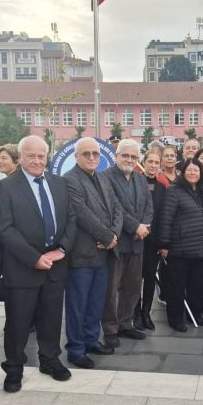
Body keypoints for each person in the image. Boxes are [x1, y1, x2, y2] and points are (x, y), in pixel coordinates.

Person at [0, 135, 76, 392]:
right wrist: (33, 258)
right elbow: (5, 229)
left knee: (51, 319)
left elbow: (71, 219)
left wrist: (62, 249)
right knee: (18, 323)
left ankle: (50, 360)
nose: (37, 161)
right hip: (22, 269)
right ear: (20, 158)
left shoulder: (59, 183)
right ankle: (14, 368)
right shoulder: (6, 187)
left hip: (55, 267)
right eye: (31, 156)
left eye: (41, 155)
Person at [63, 137, 123, 369]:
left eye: (95, 154)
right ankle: (76, 349)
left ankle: (90, 339)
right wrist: (108, 237)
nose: (91, 157)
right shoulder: (70, 180)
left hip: (104, 254)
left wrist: (113, 236)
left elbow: (117, 208)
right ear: (76, 156)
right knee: (78, 304)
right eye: (86, 153)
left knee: (96, 302)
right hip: (82, 255)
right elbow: (81, 213)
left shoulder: (103, 178)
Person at [156, 158, 203, 332]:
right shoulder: (174, 191)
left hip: (201, 248)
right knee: (177, 287)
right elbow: (166, 218)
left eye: (196, 170)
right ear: (183, 172)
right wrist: (164, 244)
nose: (193, 173)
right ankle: (175, 319)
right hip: (179, 249)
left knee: (197, 286)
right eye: (189, 170)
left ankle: (195, 314)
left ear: (201, 173)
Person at [100, 139, 152, 346]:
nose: (129, 159)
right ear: (116, 156)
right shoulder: (106, 178)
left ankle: (125, 323)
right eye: (125, 155)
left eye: (133, 156)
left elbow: (149, 205)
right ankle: (111, 328)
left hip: (138, 242)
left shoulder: (140, 179)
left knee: (132, 287)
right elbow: (115, 207)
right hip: (118, 242)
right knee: (111, 288)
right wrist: (135, 227)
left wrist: (145, 226)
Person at [138, 148, 167, 330]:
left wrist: (163, 242)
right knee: (134, 280)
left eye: (157, 163)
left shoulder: (162, 187)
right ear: (144, 162)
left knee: (149, 278)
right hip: (136, 238)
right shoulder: (135, 182)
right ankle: (134, 313)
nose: (153, 165)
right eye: (151, 162)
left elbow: (164, 215)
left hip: (153, 241)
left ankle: (146, 313)